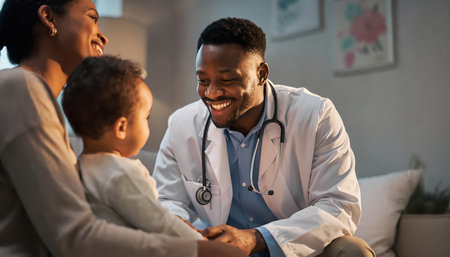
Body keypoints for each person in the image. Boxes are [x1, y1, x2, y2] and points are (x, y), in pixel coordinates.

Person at [0, 0, 246, 256]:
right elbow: (73, 236)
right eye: (92, 17)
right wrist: (199, 250)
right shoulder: (22, 89)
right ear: (49, 18)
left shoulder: (31, 96)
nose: (102, 35)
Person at [152, 17, 375, 257]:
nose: (212, 93)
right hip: (222, 251)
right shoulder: (181, 124)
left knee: (353, 251)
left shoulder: (314, 115)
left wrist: (258, 238)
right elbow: (166, 198)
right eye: (203, 80)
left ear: (261, 73)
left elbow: (338, 205)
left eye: (227, 80)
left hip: (294, 248)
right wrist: (176, 223)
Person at [61, 55, 204, 240]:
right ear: (121, 128)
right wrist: (203, 243)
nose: (147, 124)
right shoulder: (122, 174)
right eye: (146, 117)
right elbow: (161, 224)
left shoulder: (78, 168)